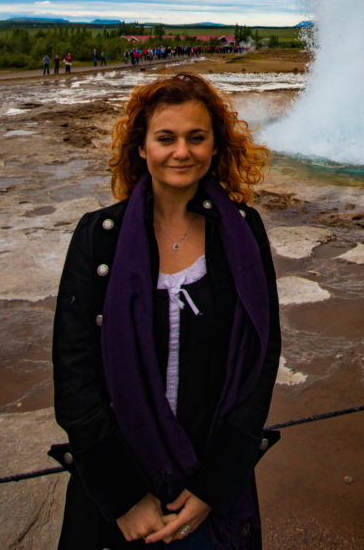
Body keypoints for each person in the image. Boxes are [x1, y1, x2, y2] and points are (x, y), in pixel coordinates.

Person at [50, 73, 280, 549]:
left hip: (209, 488)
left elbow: (261, 356)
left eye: (197, 138)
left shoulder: (242, 231)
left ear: (215, 147)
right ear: (141, 148)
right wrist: (124, 498)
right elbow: (74, 372)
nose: (182, 152)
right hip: (121, 501)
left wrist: (214, 485)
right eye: (166, 138)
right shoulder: (99, 239)